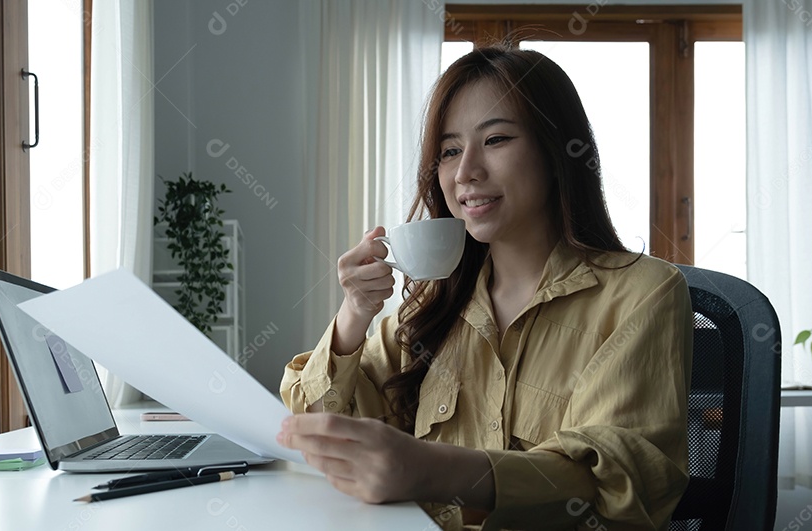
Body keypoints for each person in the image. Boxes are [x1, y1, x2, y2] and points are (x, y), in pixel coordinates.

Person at [277, 44, 692, 531]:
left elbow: (612, 489)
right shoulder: (436, 303)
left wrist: (431, 470)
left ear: (556, 150)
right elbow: (315, 421)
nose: (465, 171)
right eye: (450, 151)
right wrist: (354, 314)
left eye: (495, 140)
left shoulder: (644, 295)